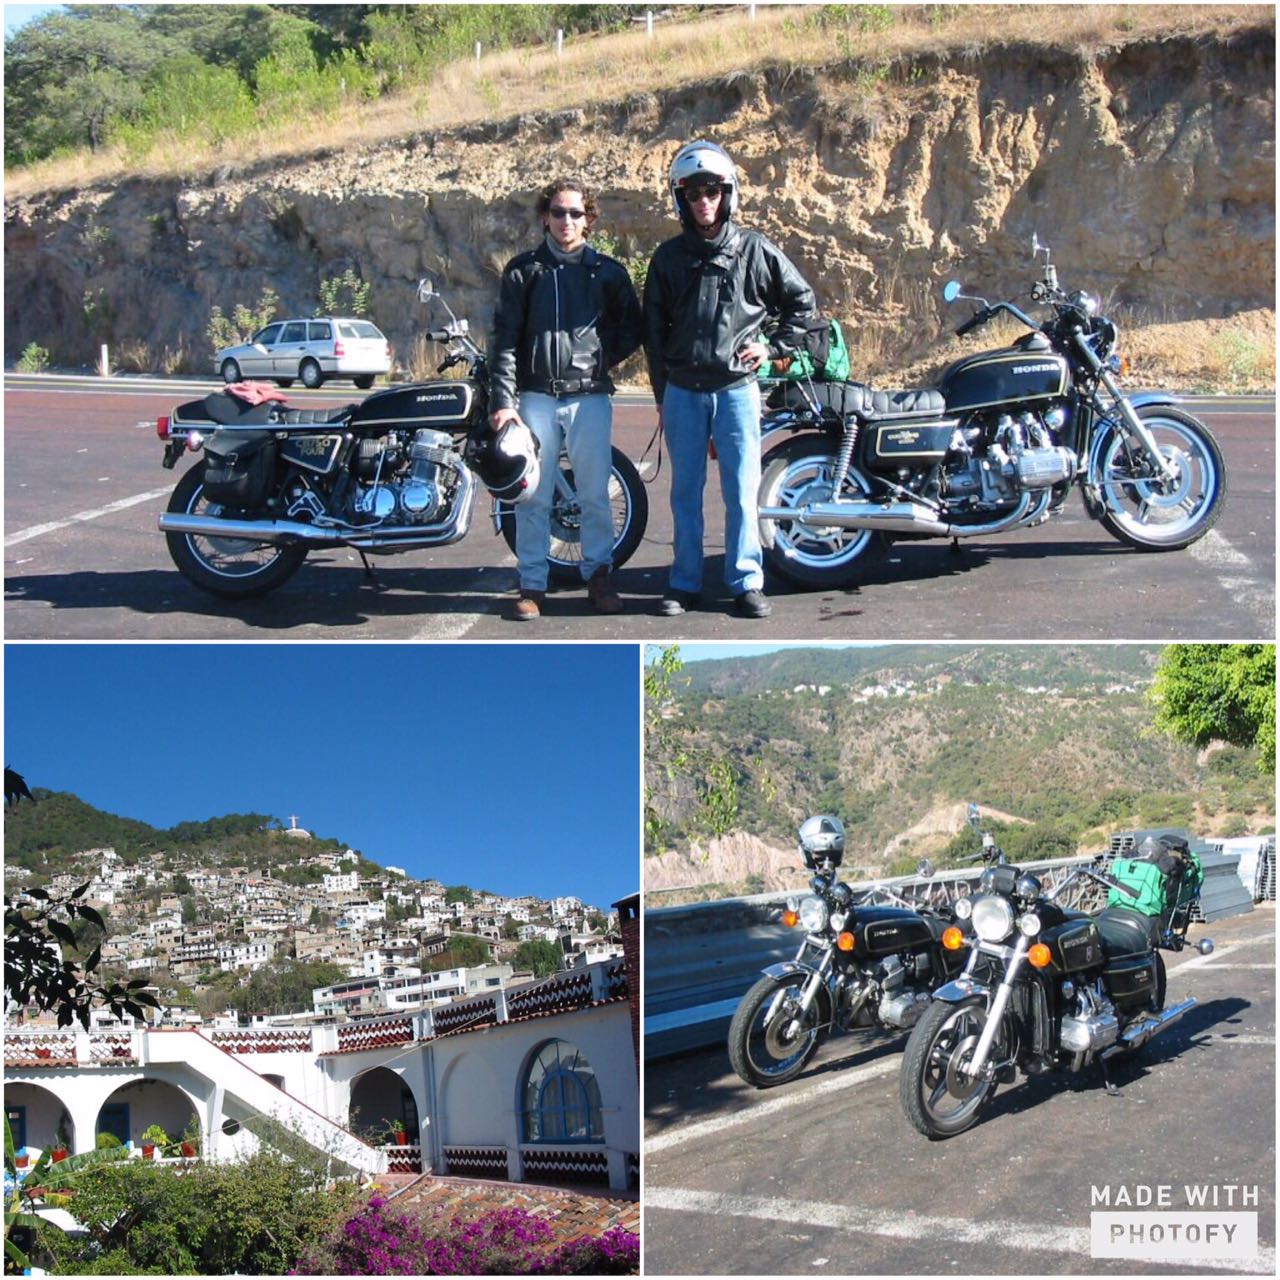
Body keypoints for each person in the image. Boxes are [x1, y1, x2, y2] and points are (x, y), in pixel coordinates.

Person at [643, 140, 816, 619]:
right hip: (682, 391)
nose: (704, 200)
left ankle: (746, 582)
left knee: (741, 491)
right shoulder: (667, 259)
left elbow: (802, 305)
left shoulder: (756, 249)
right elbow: (653, 337)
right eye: (694, 192)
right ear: (680, 198)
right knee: (684, 493)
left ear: (728, 193)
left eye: (713, 190)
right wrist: (661, 396)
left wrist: (774, 347)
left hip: (738, 390)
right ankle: (684, 581)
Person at [490, 178, 643, 621]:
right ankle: (533, 585)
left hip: (589, 397)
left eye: (576, 213)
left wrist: (598, 358)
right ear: (545, 216)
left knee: (593, 493)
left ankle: (598, 577)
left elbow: (631, 328)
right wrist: (504, 401)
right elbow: (503, 341)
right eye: (558, 212)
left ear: (589, 219)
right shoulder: (522, 272)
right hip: (535, 397)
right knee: (532, 495)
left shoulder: (608, 273)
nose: (566, 221)